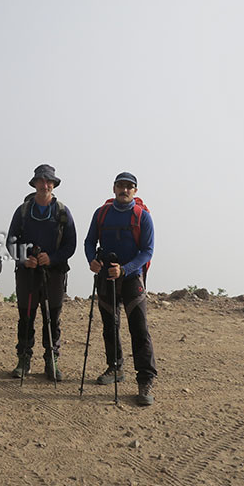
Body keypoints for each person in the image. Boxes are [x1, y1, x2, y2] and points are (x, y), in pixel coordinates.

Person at [83, 171, 157, 406]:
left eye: (129, 186)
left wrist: (125, 269)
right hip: (106, 277)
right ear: (114, 188)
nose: (124, 190)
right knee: (109, 326)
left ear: (135, 191)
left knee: (139, 330)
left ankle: (145, 380)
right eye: (120, 186)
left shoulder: (142, 216)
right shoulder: (102, 213)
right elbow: (89, 241)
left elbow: (147, 250)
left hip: (131, 278)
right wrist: (92, 261)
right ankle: (115, 367)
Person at [6, 164, 77, 381]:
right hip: (27, 273)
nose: (45, 185)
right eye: (41, 181)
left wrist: (52, 258)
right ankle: (23, 359)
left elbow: (70, 245)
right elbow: (10, 242)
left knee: (52, 318)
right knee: (26, 317)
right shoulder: (23, 211)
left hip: (54, 274)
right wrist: (23, 259)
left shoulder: (62, 212)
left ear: (53, 184)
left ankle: (51, 360)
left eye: (48, 181)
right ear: (35, 183)